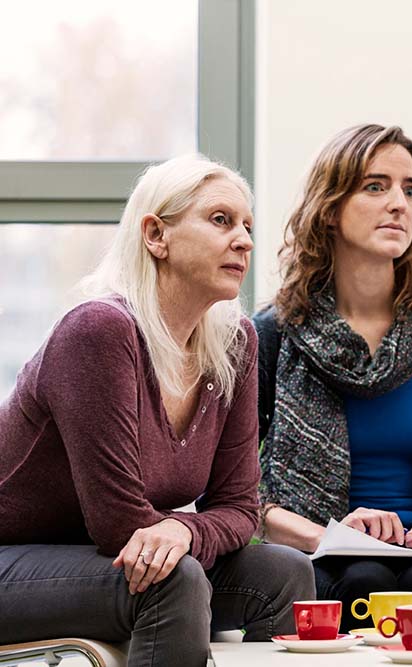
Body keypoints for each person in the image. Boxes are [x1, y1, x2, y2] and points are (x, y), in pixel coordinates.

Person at [0, 155, 316, 667]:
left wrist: (185, 530)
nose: (244, 240)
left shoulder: (236, 344)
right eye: (221, 220)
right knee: (171, 578)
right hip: (11, 560)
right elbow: (119, 526)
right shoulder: (98, 331)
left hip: (93, 561)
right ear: (155, 235)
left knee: (285, 574)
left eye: (247, 226)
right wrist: (184, 530)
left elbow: (240, 507)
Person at [254, 124, 412, 611]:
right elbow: (240, 490)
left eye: (410, 190)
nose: (399, 203)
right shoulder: (274, 333)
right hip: (321, 549)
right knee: (363, 578)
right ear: (329, 210)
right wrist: (332, 535)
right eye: (376, 186)